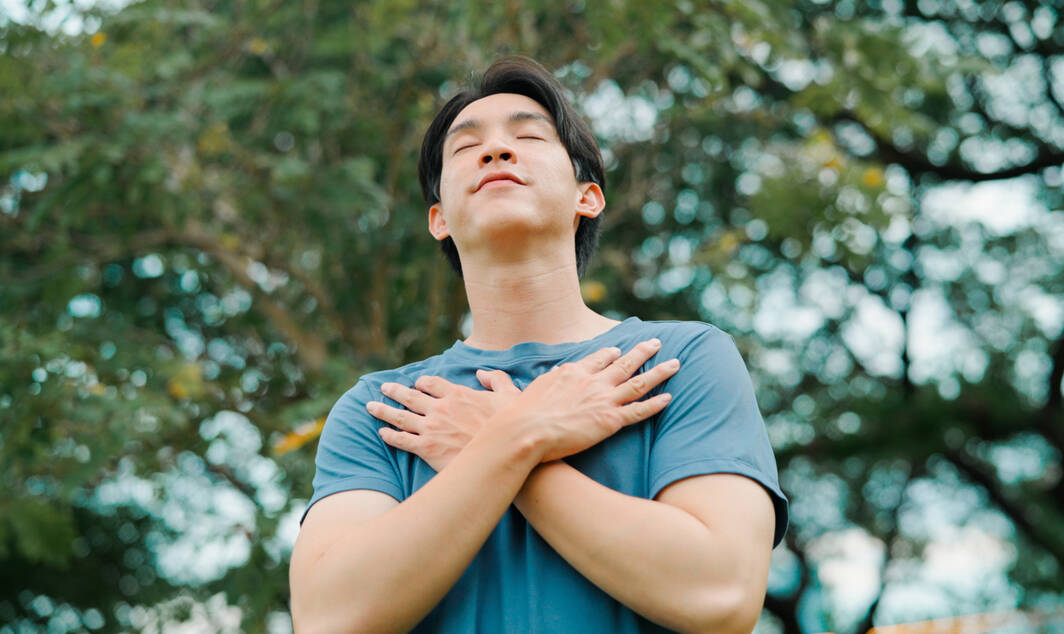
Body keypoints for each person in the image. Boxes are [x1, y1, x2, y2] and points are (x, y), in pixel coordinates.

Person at [289, 56, 788, 634]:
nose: (496, 151)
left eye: (527, 136)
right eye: (465, 147)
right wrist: (522, 435)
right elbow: (331, 619)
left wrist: (495, 443)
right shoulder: (383, 408)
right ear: (439, 219)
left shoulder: (681, 362)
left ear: (588, 197)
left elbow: (720, 594)